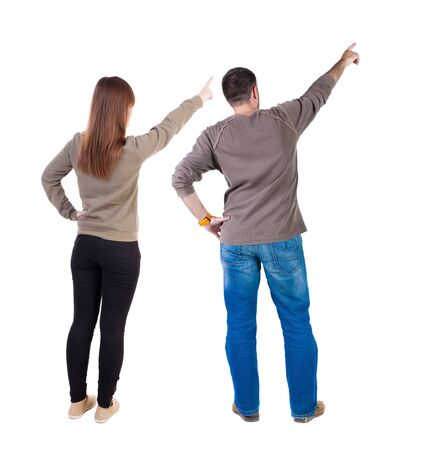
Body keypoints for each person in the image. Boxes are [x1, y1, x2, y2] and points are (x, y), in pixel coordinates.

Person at [172, 44, 359, 423]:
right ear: (255, 92)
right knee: (296, 322)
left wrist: (207, 222)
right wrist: (342, 61)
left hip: (235, 243)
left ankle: (248, 407)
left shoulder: (215, 135)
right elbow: (319, 91)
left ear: (230, 99)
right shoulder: (285, 118)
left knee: (240, 326)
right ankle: (305, 409)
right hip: (282, 240)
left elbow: (180, 178)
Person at [41, 75, 213, 423]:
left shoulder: (78, 144)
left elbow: (48, 177)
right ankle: (104, 406)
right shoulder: (133, 149)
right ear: (122, 111)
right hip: (121, 251)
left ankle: (77, 402)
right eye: (130, 108)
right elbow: (169, 127)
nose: (132, 114)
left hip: (85, 247)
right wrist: (199, 98)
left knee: (81, 323)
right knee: (113, 328)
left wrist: (71, 212)